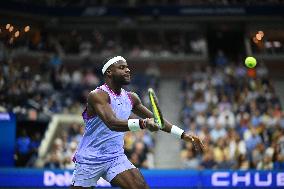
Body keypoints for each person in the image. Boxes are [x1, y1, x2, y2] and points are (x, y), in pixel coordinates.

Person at [71, 56, 205, 189]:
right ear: (109, 72)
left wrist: (183, 135)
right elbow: (112, 123)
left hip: (115, 157)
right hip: (90, 159)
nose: (128, 70)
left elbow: (159, 121)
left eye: (127, 67)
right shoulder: (97, 95)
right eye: (122, 67)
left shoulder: (131, 98)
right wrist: (144, 124)